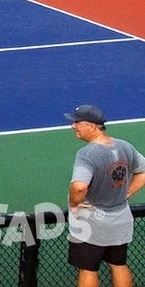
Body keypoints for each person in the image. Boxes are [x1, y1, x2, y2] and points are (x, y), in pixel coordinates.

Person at [65, 103, 145, 287]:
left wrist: (75, 204)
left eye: (77, 122)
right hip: (120, 219)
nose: (73, 126)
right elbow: (143, 170)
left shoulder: (87, 154)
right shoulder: (124, 146)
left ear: (91, 125)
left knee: (88, 268)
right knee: (118, 264)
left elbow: (79, 187)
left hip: (93, 222)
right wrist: (127, 192)